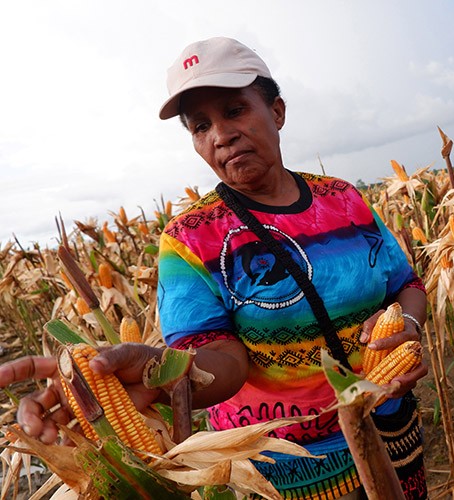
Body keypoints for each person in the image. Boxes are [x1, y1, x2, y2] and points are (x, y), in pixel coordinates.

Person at [0, 37, 428, 499]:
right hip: (285, 466)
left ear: (277, 111)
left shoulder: (342, 199)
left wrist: (406, 324)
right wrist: (157, 372)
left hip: (392, 433)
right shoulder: (189, 238)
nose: (221, 135)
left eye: (234, 110)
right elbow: (220, 359)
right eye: (201, 126)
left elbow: (406, 284)